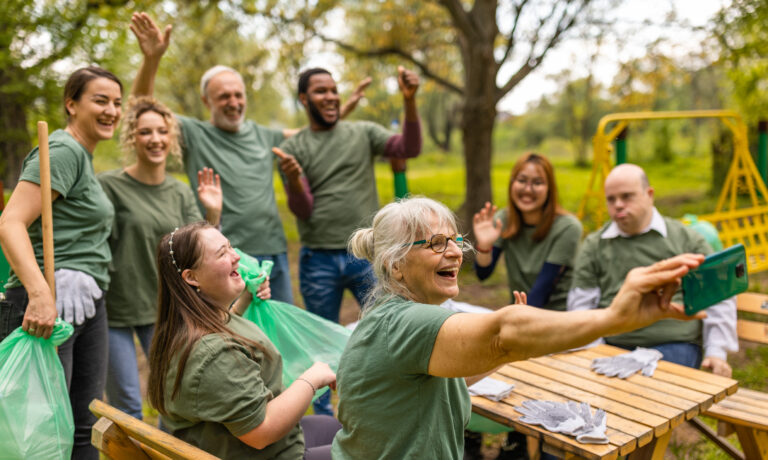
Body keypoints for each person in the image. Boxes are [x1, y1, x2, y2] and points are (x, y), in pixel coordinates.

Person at [332, 196, 707, 459]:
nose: (455, 252)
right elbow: (502, 333)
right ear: (395, 265)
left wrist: (506, 351)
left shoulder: (394, 315)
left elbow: (446, 378)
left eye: (455, 240)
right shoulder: (404, 322)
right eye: (435, 243)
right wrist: (614, 318)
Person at [274, 66, 421, 415]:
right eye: (321, 91)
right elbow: (303, 210)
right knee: (319, 344)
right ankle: (324, 418)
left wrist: (410, 101)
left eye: (334, 89)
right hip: (318, 260)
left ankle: (389, 406)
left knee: (388, 329)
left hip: (367, 255)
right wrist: (295, 181)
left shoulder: (362, 132)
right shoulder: (293, 148)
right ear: (304, 99)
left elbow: (408, 147)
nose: (331, 97)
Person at [128, 12, 296, 303]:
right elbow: (141, 109)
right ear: (207, 101)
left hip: (274, 252)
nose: (233, 102)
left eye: (238, 95)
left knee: (280, 339)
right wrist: (152, 59)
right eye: (224, 97)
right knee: (234, 335)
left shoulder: (263, 135)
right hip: (225, 258)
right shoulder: (194, 133)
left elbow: (310, 134)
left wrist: (333, 112)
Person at [0, 66, 122, 460]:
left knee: (83, 424)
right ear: (71, 104)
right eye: (100, 100)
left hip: (85, 301)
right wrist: (39, 295)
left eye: (117, 103)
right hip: (46, 306)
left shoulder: (83, 157)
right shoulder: (64, 151)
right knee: (38, 431)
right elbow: (10, 222)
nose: (112, 110)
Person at [147, 222, 340, 459]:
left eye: (230, 247)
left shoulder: (185, 327)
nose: (236, 256)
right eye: (222, 253)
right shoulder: (214, 355)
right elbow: (260, 431)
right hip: (268, 453)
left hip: (240, 447)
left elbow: (219, 343)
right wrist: (312, 378)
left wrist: (245, 300)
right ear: (192, 277)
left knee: (329, 426)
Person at [98, 96, 222, 420]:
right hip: (116, 309)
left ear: (172, 138)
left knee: (174, 398)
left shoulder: (179, 192)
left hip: (165, 309)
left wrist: (212, 213)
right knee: (127, 405)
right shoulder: (109, 186)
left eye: (162, 131)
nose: (155, 139)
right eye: (145, 132)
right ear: (132, 138)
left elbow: (196, 251)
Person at [567, 163, 738, 376]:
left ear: (649, 195)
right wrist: (594, 352)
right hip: (610, 345)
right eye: (611, 199)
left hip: (674, 344)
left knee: (646, 395)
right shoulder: (594, 245)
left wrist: (716, 352)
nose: (618, 205)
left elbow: (718, 296)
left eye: (627, 196)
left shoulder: (687, 239)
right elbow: (581, 305)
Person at [473, 153, 582, 310]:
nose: (527, 190)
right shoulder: (503, 219)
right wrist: (484, 246)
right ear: (512, 184)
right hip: (521, 312)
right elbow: (483, 274)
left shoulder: (568, 228)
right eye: (522, 180)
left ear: (549, 189)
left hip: (558, 317)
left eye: (537, 183)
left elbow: (541, 292)